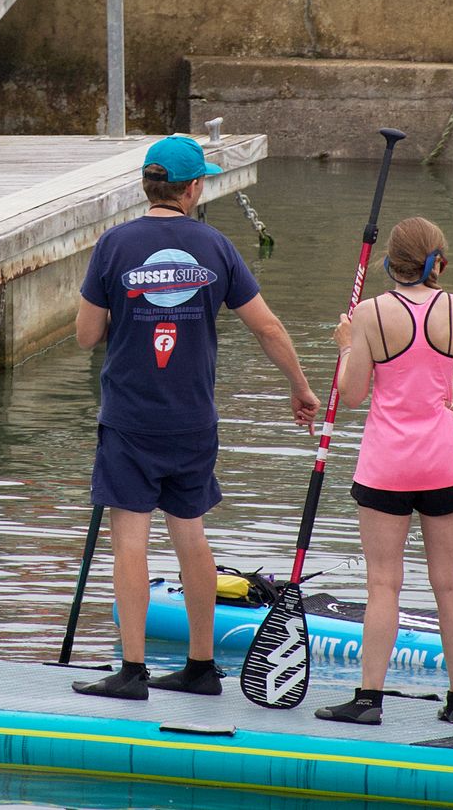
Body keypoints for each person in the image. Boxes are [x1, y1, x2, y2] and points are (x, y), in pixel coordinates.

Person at [70, 135, 319, 701]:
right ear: (194, 188)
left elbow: (87, 335)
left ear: (147, 186)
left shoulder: (113, 245)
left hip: (130, 418)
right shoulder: (215, 246)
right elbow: (269, 328)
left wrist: (130, 316)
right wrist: (299, 387)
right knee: (190, 534)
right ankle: (201, 666)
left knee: (130, 539)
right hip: (193, 420)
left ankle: (131, 672)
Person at [313, 217, 453, 729]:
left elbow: (353, 393)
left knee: (383, 585)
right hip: (446, 461)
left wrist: (346, 344)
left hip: (387, 464)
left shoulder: (369, 314)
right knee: (450, 586)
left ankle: (368, 700)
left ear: (390, 262)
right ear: (439, 262)